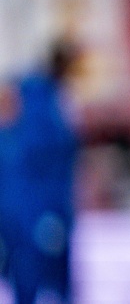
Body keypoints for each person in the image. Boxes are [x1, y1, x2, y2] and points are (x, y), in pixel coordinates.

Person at [0, 41, 80, 304]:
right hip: (32, 206)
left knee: (45, 273)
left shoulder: (49, 100)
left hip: (40, 205)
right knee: (30, 272)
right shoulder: (37, 99)